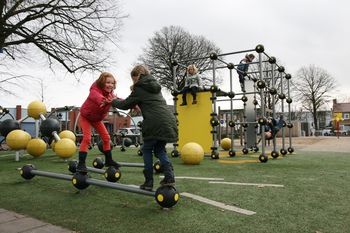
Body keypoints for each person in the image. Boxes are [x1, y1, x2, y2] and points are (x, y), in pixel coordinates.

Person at [112, 65, 178, 191]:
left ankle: (148, 181)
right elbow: (147, 101)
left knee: (146, 149)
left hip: (154, 122)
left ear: (137, 76)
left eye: (133, 80)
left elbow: (124, 104)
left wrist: (112, 100)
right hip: (169, 120)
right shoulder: (155, 86)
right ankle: (169, 177)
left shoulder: (139, 87)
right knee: (160, 150)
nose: (133, 82)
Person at [77, 72, 120, 173]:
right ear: (102, 82)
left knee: (106, 138)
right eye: (107, 82)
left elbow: (119, 100)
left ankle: (109, 160)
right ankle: (81, 164)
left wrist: (132, 104)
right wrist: (104, 100)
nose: (110, 85)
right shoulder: (94, 89)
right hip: (86, 116)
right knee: (87, 138)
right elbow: (96, 96)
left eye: (112, 83)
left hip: (96, 119)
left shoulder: (111, 95)